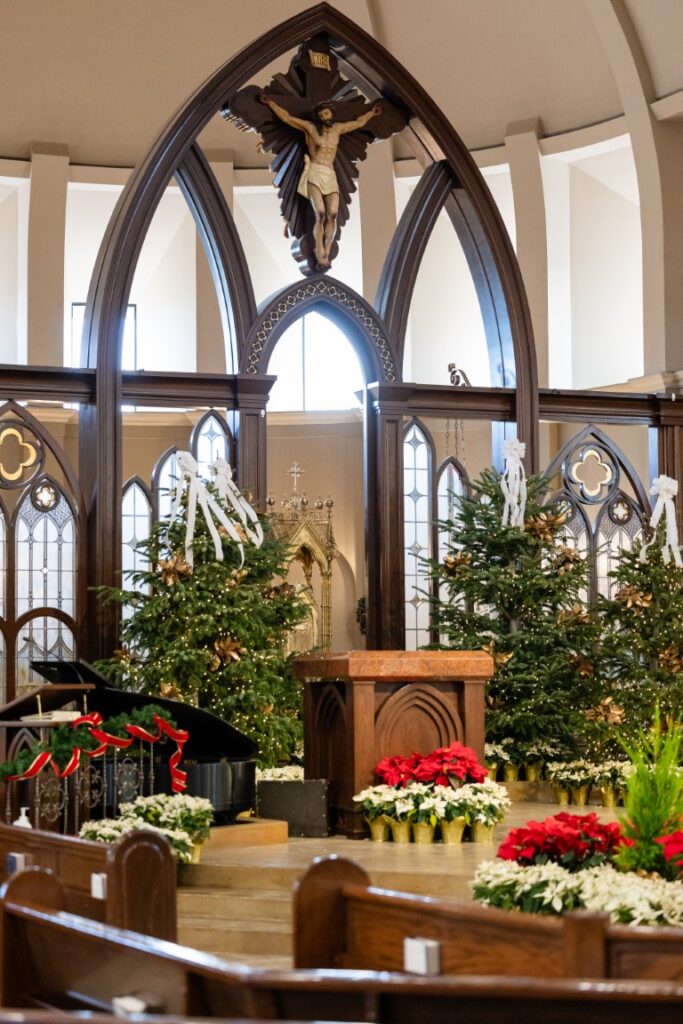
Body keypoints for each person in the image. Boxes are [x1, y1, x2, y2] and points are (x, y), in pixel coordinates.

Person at [261, 95, 382, 268]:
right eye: (321, 115)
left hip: (330, 174)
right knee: (320, 213)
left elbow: (357, 123)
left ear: (331, 115)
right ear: (318, 118)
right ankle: (319, 250)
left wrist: (372, 113)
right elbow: (287, 118)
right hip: (315, 172)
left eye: (326, 114)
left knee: (332, 215)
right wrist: (271, 103)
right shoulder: (310, 129)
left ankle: (327, 248)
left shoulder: (338, 130)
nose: (325, 117)